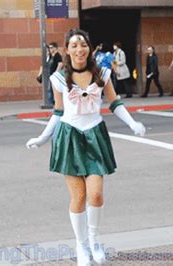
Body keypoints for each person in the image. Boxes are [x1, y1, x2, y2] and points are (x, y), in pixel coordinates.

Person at [25, 29, 146, 265]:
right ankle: (81, 246)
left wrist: (132, 123)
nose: (79, 49)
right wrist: (42, 138)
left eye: (83, 44)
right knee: (79, 197)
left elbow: (115, 103)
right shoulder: (58, 78)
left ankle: (94, 240)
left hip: (94, 137)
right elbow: (58, 113)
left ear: (89, 48)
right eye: (73, 45)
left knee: (97, 194)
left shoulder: (102, 73)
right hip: (69, 138)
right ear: (67, 50)